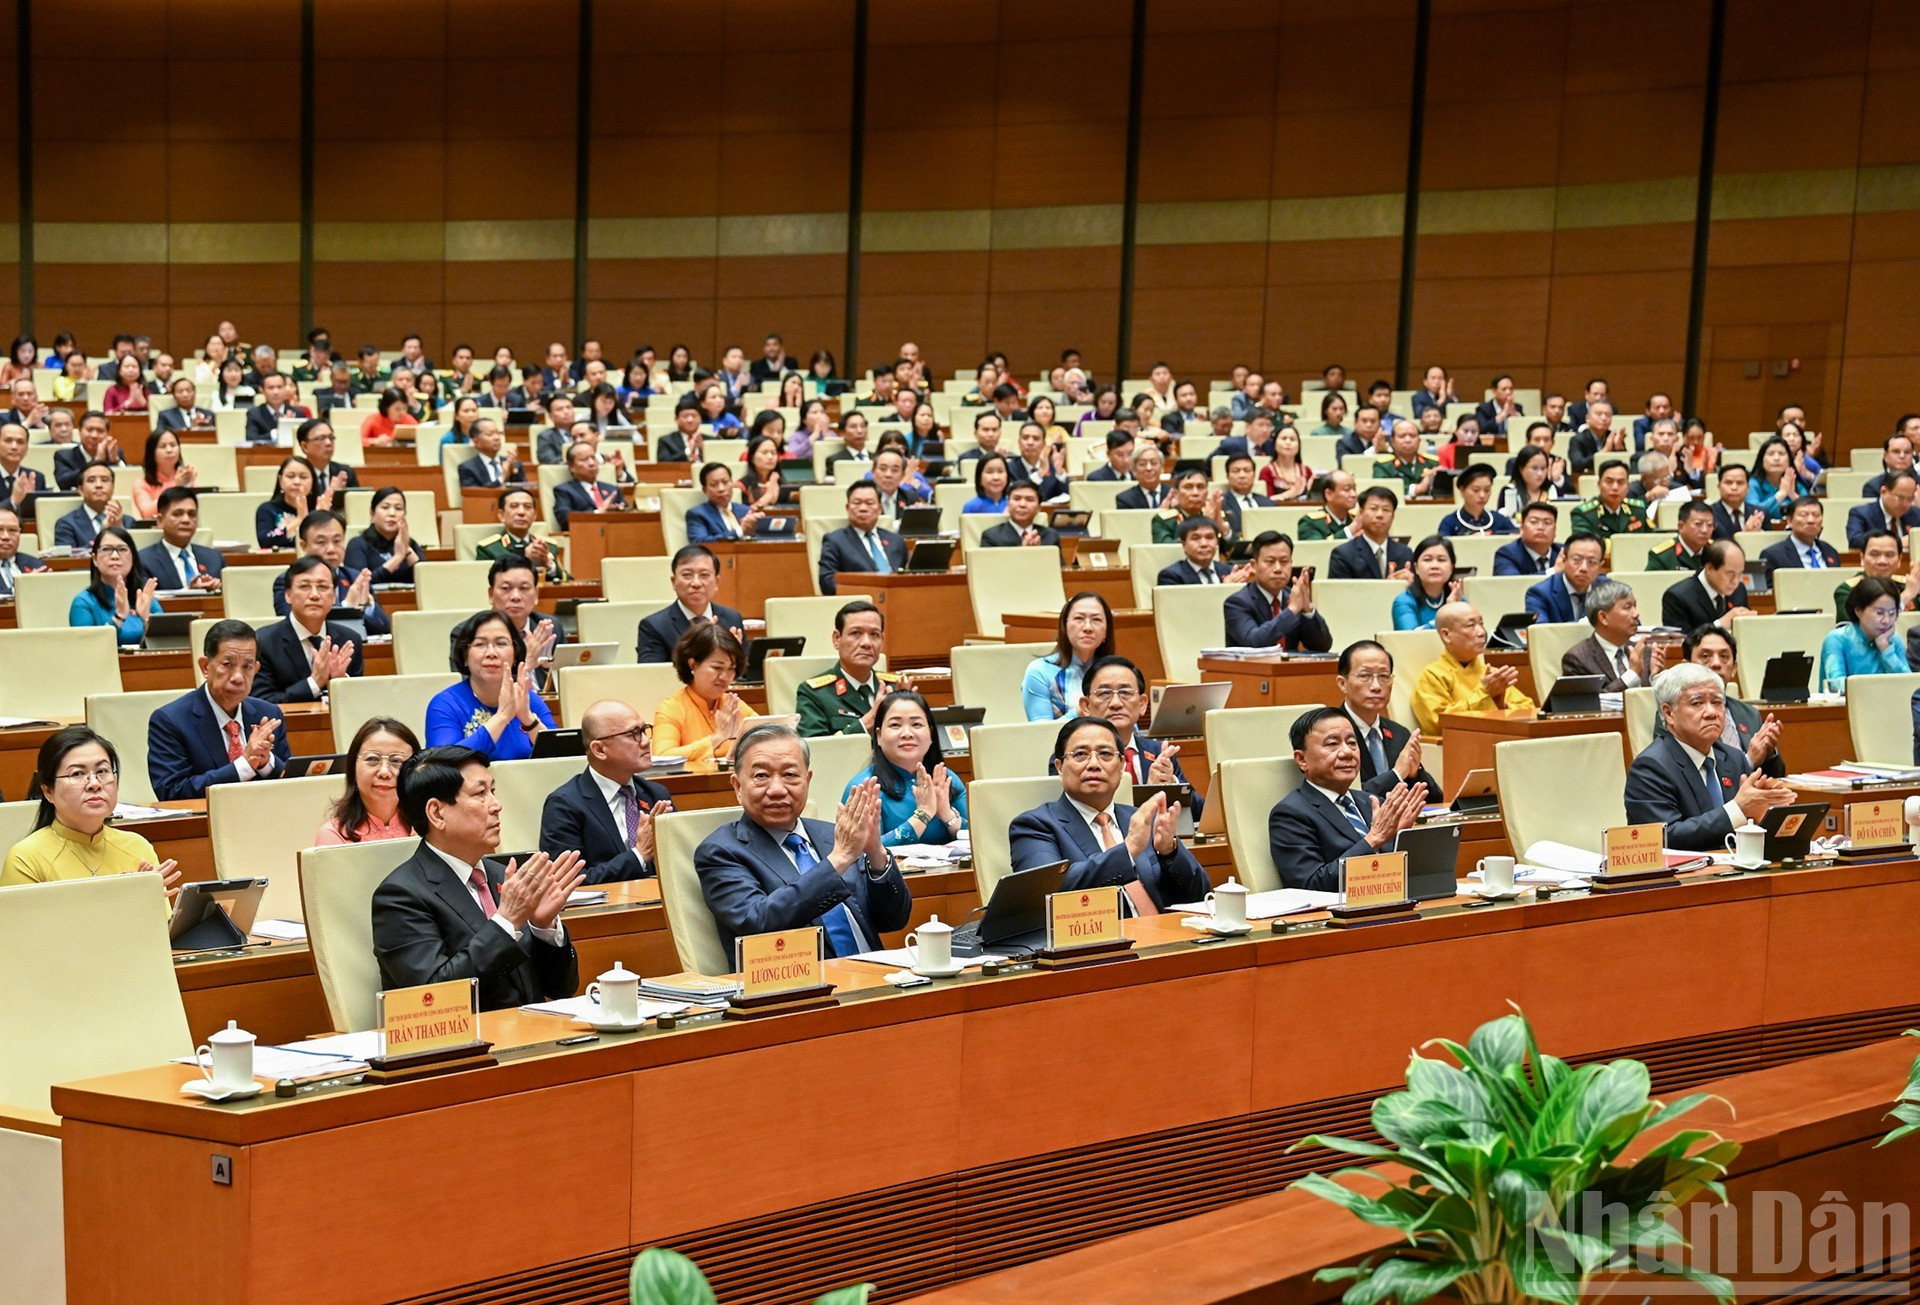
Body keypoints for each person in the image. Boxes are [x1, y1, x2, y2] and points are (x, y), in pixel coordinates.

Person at [372, 746, 583, 1010]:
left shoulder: (502, 876)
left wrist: (543, 928)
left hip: (532, 1032)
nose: (496, 805)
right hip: (469, 1045)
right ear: (437, 813)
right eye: (480, 793)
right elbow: (433, 998)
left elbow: (561, 988)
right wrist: (507, 921)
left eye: (492, 791)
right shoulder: (400, 896)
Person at [693, 722, 910, 960]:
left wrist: (876, 853)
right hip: (800, 987)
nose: (777, 789)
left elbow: (893, 920)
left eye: (790, 775)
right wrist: (838, 860)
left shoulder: (832, 835)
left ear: (807, 780)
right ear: (737, 787)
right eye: (761, 776)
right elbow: (758, 922)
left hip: (875, 973)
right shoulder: (720, 851)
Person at [1007, 716, 1208, 914]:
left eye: (1105, 754)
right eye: (1080, 755)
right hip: (1100, 943)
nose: (1094, 764)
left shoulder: (1140, 820)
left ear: (1121, 766)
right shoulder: (1034, 825)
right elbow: (1047, 893)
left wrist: (1169, 852)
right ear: (1059, 767)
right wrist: (1127, 850)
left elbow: (1201, 894)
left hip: (1168, 939)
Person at [1623, 663, 1795, 851]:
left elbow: (1748, 824)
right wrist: (1739, 809)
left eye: (1717, 702)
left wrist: (1768, 811)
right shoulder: (1650, 767)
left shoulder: (1733, 758)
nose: (1712, 713)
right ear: (1668, 713)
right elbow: (1664, 838)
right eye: (1697, 703)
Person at [1, 727, 180, 898]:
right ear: (48, 792)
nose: (94, 783)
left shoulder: (137, 847)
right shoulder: (26, 859)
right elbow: (28, 929)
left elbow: (161, 927)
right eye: (77, 774)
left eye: (102, 771)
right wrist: (123, 901)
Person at [1266, 707, 1423, 892]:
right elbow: (1310, 885)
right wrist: (1373, 839)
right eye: (1332, 744)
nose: (1347, 752)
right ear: (1302, 759)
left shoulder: (1372, 802)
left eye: (1352, 743)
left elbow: (1393, 873)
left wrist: (1400, 838)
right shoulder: (1290, 814)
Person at [147, 621, 290, 801]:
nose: (238, 677)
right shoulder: (170, 720)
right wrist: (244, 765)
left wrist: (265, 762)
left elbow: (291, 784)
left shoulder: (269, 714)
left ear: (256, 669)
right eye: (228, 664)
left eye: (247, 667)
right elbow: (172, 791)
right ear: (205, 667)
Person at [538, 699, 674, 883]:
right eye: (633, 733)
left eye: (644, 730)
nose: (645, 742)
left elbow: (679, 861)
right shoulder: (565, 805)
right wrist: (639, 856)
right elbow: (568, 880)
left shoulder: (656, 795)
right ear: (599, 749)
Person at [1071, 654, 1201, 805]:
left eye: (1125, 693)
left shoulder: (1159, 752)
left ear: (1142, 704)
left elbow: (1199, 812)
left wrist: (1172, 784)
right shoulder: (1073, 756)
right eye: (1104, 693)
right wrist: (1149, 794)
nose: (1116, 703)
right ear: (1086, 706)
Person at [843, 691, 968, 848]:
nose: (907, 733)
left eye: (916, 724)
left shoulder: (946, 779)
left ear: (930, 733)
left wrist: (947, 814)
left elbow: (978, 839)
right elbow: (864, 852)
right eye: (895, 725)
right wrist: (923, 815)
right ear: (879, 736)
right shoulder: (865, 787)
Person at [425, 610, 555, 759]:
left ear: (514, 654)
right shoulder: (445, 705)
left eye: (501, 643)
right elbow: (441, 765)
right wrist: (502, 716)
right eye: (480, 644)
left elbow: (560, 760)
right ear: (465, 656)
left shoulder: (530, 700)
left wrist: (528, 720)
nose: (491, 653)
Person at [1667, 626, 1785, 778]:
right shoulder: (1675, 712)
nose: (1716, 663)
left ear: (1734, 668)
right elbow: (1681, 772)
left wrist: (1769, 752)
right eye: (1705, 656)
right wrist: (1748, 761)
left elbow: (1777, 775)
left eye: (1724, 656)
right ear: (1686, 665)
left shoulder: (1749, 713)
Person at [1410, 603, 1535, 738]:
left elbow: (1529, 710)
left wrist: (1501, 704)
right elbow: (1440, 724)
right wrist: (1485, 693)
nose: (1481, 632)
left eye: (1481, 624)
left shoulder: (1491, 674)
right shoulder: (1433, 676)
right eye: (1471, 626)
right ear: (1446, 635)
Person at [251, 555, 363, 703]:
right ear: (288, 595)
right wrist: (314, 682)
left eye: (322, 587)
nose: (314, 595)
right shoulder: (263, 642)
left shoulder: (349, 640)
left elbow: (360, 700)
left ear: (334, 597)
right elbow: (263, 702)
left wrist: (340, 682)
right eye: (304, 586)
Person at [1335, 641, 1439, 800]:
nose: (1376, 686)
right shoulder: (1331, 734)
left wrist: (1414, 773)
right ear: (1342, 683)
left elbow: (1436, 799)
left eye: (1384, 676)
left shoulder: (1399, 733)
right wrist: (1396, 774)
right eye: (1365, 676)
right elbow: (1345, 796)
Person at [269, 509, 391, 634]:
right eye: (321, 542)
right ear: (304, 546)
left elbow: (384, 628)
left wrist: (366, 606)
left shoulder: (355, 579)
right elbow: (295, 628)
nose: (331, 549)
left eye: (337, 541)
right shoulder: (288, 581)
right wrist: (348, 607)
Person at [654, 622, 761, 762]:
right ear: (693, 664)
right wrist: (717, 738)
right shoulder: (671, 707)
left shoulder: (733, 705)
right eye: (717, 667)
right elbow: (662, 757)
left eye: (731, 669)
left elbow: (768, 738)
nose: (725, 677)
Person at [795, 600, 904, 737]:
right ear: (837, 639)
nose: (866, 643)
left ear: (882, 640)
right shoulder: (815, 694)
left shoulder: (896, 687)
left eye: (874, 635)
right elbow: (816, 750)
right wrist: (868, 721)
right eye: (856, 633)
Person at [315, 716, 418, 845]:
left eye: (396, 761)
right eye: (372, 759)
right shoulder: (334, 836)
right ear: (353, 768)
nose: (384, 772)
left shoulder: (432, 828)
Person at [1223, 531, 1331, 651]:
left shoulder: (1293, 597)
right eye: (1270, 561)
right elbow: (1253, 642)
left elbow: (1322, 646)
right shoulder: (1237, 603)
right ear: (1254, 565)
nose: (1278, 569)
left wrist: (1308, 610)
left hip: (1289, 668)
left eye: (1284, 561)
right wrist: (1292, 610)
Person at [637, 544, 744, 664]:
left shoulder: (732, 618)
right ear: (673, 582)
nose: (696, 583)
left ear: (717, 582)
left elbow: (747, 673)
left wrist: (735, 659)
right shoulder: (654, 626)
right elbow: (651, 676)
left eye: (704, 575)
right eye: (687, 575)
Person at [1560, 578, 1665, 692]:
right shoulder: (1578, 659)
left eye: (1635, 606)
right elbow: (1589, 704)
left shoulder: (1644, 652)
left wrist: (1655, 678)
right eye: (1627, 607)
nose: (1636, 613)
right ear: (1603, 617)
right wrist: (1631, 676)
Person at [1022, 592, 1114, 720]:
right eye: (1079, 619)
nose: (1088, 627)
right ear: (1064, 626)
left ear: (1106, 631)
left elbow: (1130, 730)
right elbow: (1041, 733)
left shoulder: (1116, 671)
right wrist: (1081, 711)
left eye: (1096, 619)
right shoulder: (1039, 671)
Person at [69, 526, 159, 646]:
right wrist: (119, 617)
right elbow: (87, 648)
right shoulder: (83, 602)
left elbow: (165, 643)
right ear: (95, 559)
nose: (115, 556)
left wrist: (147, 619)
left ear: (133, 557)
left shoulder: (145, 598)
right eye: (106, 549)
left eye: (122, 549)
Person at [1819, 578, 1909, 692]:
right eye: (1879, 613)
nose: (1886, 620)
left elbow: (1909, 685)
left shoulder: (1892, 640)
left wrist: (1886, 650)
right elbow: (1836, 686)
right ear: (1858, 611)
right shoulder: (1837, 639)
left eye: (1892, 613)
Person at [817, 482, 906, 595]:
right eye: (857, 503)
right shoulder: (835, 541)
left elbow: (908, 575)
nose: (863, 508)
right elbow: (827, 582)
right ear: (848, 508)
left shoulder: (895, 540)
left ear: (879, 508)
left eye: (869, 503)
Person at [474, 486, 568, 583]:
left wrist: (548, 565)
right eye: (514, 506)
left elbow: (567, 581)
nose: (521, 512)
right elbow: (484, 584)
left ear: (535, 515)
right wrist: (524, 559)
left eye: (527, 507)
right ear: (501, 515)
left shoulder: (548, 546)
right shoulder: (488, 549)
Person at [139, 487, 224, 591]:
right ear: (160, 521)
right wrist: (189, 592)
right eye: (177, 514)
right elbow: (146, 601)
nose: (186, 520)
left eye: (192, 514)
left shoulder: (214, 558)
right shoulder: (144, 560)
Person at [1661, 541, 1752, 630]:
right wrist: (1720, 624)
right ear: (1709, 568)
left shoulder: (1739, 590)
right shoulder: (1677, 597)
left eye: (1740, 574)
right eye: (1730, 574)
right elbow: (1681, 641)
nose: (1735, 581)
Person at [1328, 486, 1414, 579]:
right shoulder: (1343, 555)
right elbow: (1339, 592)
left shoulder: (1405, 553)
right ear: (1360, 513)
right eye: (1373, 508)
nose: (1379, 515)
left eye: (1386, 510)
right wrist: (1388, 588)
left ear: (1393, 516)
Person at [344, 486, 424, 585]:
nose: (392, 513)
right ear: (372, 513)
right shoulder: (358, 544)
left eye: (398, 508)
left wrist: (406, 549)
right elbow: (358, 583)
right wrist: (397, 558)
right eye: (385, 507)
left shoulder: (410, 544)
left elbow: (428, 581)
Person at [1837, 530, 1920, 623]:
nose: (1882, 561)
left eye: (1889, 555)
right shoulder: (1847, 590)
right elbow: (1854, 631)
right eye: (1874, 554)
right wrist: (1907, 595)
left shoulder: (1907, 585)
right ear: (1862, 558)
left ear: (1899, 560)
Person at [1525, 531, 1605, 623]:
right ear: (1564, 560)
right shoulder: (1540, 594)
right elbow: (1541, 632)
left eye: (1592, 562)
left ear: (1600, 566)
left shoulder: (1608, 591)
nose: (1584, 568)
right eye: (1576, 560)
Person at [256, 456, 330, 549]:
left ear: (313, 481)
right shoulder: (267, 509)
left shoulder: (320, 508)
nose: (297, 482)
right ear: (280, 480)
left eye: (303, 477)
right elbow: (265, 541)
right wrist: (300, 520)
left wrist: (320, 517)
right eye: (290, 476)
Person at [551, 441, 627, 531]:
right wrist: (598, 513)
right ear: (571, 467)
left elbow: (628, 513)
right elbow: (564, 518)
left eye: (593, 457)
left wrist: (619, 510)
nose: (591, 463)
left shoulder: (612, 489)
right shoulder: (564, 490)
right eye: (584, 459)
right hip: (584, 535)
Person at [1758, 496, 1841, 575]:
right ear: (1789, 520)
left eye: (1816, 515)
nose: (1810, 520)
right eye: (1803, 515)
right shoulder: (1773, 555)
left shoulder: (1830, 551)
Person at [1155, 514, 1246, 586]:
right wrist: (1224, 589)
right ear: (1183, 544)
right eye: (1195, 538)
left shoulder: (1229, 571)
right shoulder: (1171, 576)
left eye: (1209, 537)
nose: (1204, 544)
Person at [1569, 462, 1651, 540]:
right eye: (1609, 481)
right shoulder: (1584, 514)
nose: (1615, 487)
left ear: (1628, 486)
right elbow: (1583, 545)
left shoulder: (1638, 510)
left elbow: (1652, 539)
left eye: (1621, 482)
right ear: (1599, 484)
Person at [1392, 536, 1459, 630]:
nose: (1435, 566)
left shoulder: (1457, 599)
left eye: (1441, 560)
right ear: (1416, 568)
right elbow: (1411, 638)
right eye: (1427, 560)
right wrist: (1447, 613)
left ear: (1452, 567)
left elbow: (1478, 635)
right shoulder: (1404, 601)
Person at [686, 461, 763, 542]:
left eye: (725, 482)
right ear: (705, 490)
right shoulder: (697, 514)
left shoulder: (746, 511)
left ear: (732, 483)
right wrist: (739, 532)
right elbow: (699, 542)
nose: (721, 489)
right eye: (714, 484)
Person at [55, 460, 124, 549]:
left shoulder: (127, 522)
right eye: (91, 480)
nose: (99, 485)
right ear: (80, 490)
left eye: (105, 480)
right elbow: (68, 561)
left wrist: (120, 530)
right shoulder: (66, 524)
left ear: (113, 487)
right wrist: (105, 533)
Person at [131, 429, 197, 519]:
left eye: (173, 445)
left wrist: (190, 484)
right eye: (163, 446)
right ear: (152, 454)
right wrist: (174, 489)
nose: (169, 450)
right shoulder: (142, 483)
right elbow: (146, 513)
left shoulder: (184, 478)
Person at [1847, 471, 1920, 549]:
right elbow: (1855, 541)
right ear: (1883, 492)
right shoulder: (1861, 514)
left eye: (1910, 499)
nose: (1905, 504)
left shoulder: (1916, 514)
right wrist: (1898, 542)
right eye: (1900, 498)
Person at [1438, 464, 1516, 537]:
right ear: (1462, 490)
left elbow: (1517, 537)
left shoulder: (1499, 519)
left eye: (1487, 490)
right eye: (1476, 490)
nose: (1482, 495)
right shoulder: (1449, 523)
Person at [977, 481, 1059, 548]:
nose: (1022, 504)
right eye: (1016, 499)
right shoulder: (991, 536)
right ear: (1008, 504)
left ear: (1039, 508)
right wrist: (1022, 551)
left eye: (1029, 500)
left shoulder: (1050, 536)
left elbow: (1059, 567)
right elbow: (989, 567)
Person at [1494, 502, 1561, 575]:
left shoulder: (1564, 553)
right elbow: (1513, 583)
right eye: (1534, 522)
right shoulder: (1507, 554)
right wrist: (1554, 571)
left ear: (1555, 530)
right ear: (1522, 528)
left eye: (1547, 522)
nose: (1540, 527)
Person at [1647, 500, 1715, 572]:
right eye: (1698, 524)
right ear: (1681, 527)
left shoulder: (1717, 552)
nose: (1705, 530)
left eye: (1710, 525)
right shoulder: (1662, 556)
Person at [454, 419, 522, 490]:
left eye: (498, 433)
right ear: (476, 441)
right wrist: (502, 478)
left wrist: (513, 473)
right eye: (490, 434)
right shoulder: (468, 468)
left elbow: (524, 491)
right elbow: (474, 496)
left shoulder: (513, 463)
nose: (497, 438)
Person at [244, 372, 311, 444]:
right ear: (262, 391)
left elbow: (306, 440)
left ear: (285, 389)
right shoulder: (254, 414)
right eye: (271, 388)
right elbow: (251, 439)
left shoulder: (297, 413)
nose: (276, 392)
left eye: (279, 387)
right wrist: (278, 432)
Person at [0, 502, 44, 596]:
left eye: (12, 530)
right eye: (0, 529)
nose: (5, 537)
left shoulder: (36, 564)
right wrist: (24, 587)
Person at [1114, 444, 1172, 510]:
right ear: (1134, 470)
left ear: (1162, 468)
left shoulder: (1173, 494)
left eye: (1153, 463)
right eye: (1142, 464)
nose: (1148, 468)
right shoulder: (1125, 499)